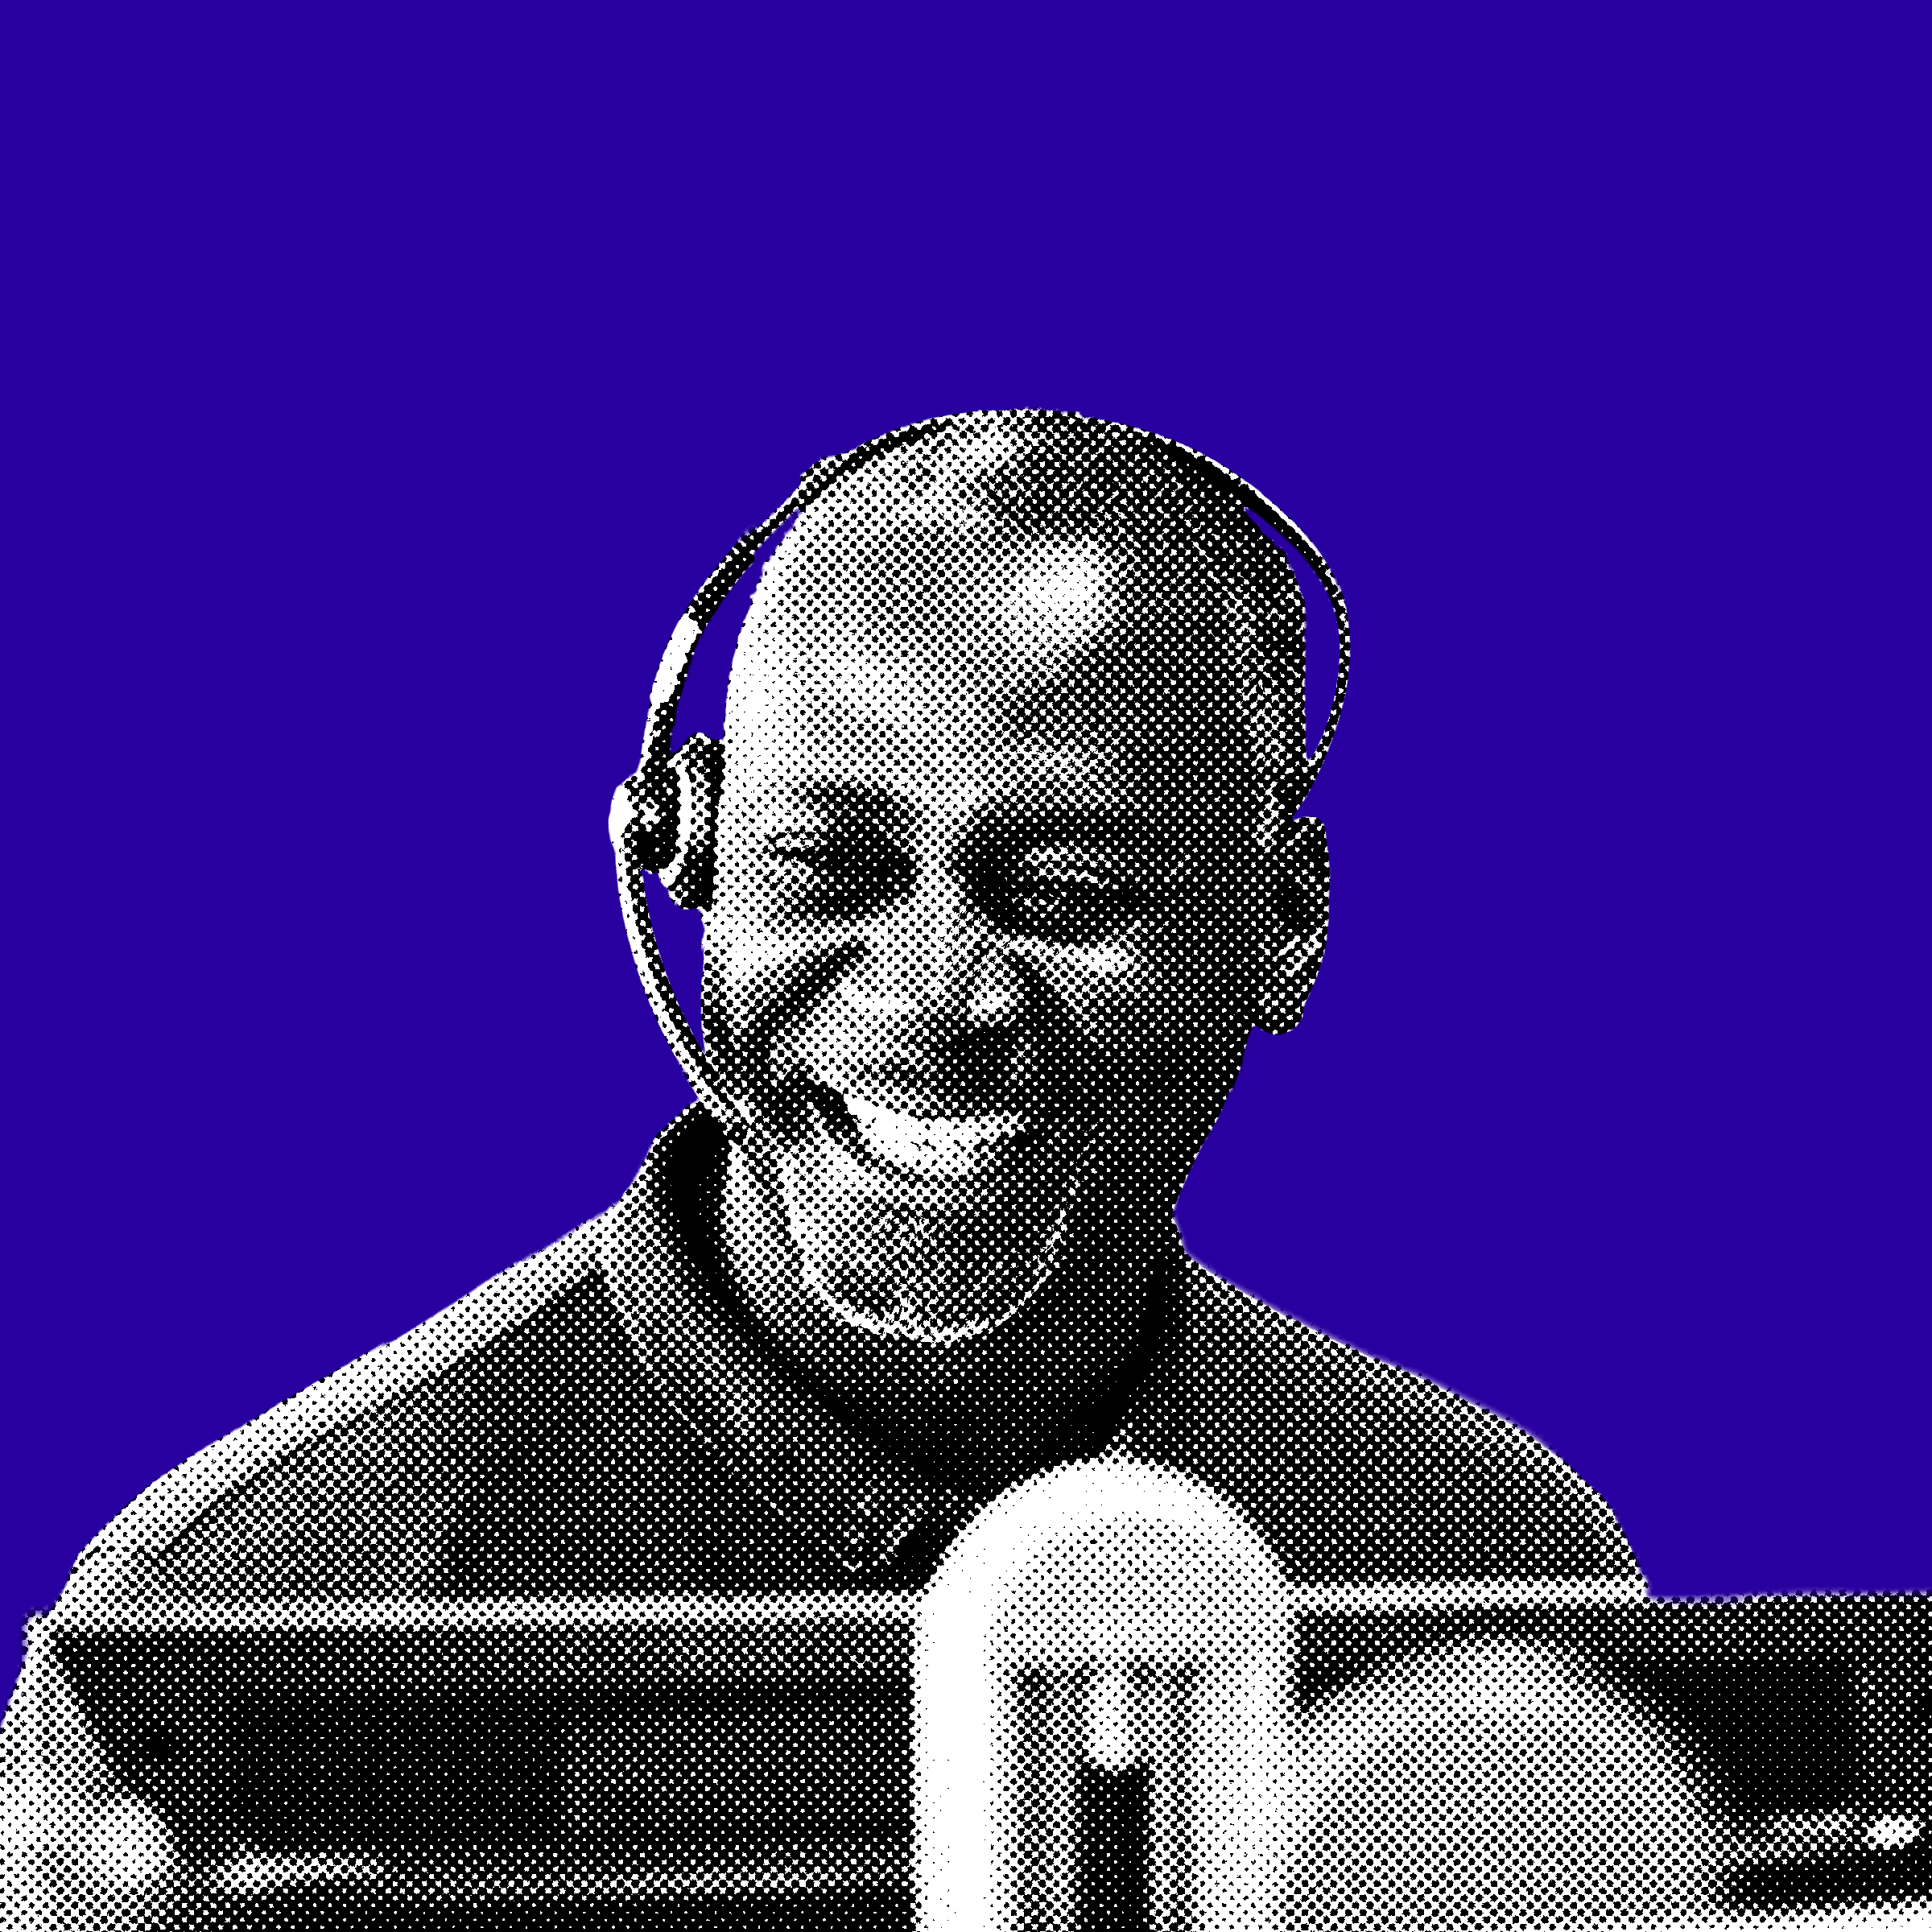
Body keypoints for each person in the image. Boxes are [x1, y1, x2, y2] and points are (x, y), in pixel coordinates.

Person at [3, 411, 1638, 1913]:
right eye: (826, 872)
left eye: (1066, 895)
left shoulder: (1488, 1573)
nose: (935, 994)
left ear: (1281, 923)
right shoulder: (239, 1617)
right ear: (696, 859)